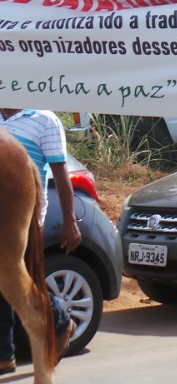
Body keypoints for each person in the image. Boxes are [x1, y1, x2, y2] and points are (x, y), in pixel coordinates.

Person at [0, 108, 80, 376]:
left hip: (27, 211)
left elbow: (60, 171)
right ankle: (4, 354)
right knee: (8, 285)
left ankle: (59, 321)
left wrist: (70, 220)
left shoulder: (45, 119)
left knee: (25, 278)